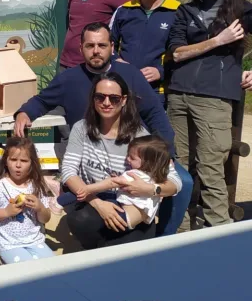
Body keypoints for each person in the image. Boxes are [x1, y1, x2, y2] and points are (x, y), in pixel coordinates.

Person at [13, 22, 192, 237]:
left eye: (101, 45)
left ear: (112, 47)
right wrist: (24, 112)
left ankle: (164, 238)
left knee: (184, 183)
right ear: (81, 49)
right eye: (90, 46)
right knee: (87, 218)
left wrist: (166, 152)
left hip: (132, 154)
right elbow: (42, 101)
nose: (96, 51)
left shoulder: (130, 74)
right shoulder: (69, 79)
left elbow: (155, 113)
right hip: (91, 156)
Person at [168, 0, 252, 229]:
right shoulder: (185, 11)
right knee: (176, 166)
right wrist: (218, 40)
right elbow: (176, 53)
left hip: (215, 98)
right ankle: (178, 228)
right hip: (178, 94)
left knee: (210, 167)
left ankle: (217, 230)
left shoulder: (242, 10)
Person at [61, 72, 182, 249]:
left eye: (114, 98)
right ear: (93, 99)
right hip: (97, 199)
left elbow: (175, 182)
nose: (106, 103)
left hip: (132, 203)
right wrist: (97, 203)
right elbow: (68, 172)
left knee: (124, 247)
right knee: (80, 220)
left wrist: (149, 188)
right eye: (100, 97)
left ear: (124, 100)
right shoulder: (82, 128)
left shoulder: (140, 137)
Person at [110, 0, 180, 105]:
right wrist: (116, 62)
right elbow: (107, 45)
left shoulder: (178, 12)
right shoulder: (124, 11)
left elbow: (184, 54)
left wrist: (161, 72)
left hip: (158, 91)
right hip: (123, 87)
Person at [71, 135, 171, 230]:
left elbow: (111, 183)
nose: (127, 159)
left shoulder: (134, 175)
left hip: (121, 218)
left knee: (91, 194)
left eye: (132, 158)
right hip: (137, 221)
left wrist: (88, 189)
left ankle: (60, 201)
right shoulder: (156, 177)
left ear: (147, 162)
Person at [0, 137, 55, 264]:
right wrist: (6, 212)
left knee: (51, 266)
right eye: (13, 159)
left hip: (34, 240)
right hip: (8, 243)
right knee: (26, 270)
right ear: (6, 161)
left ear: (32, 163)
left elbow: (45, 219)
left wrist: (40, 208)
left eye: (24, 160)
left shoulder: (37, 185)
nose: (18, 165)